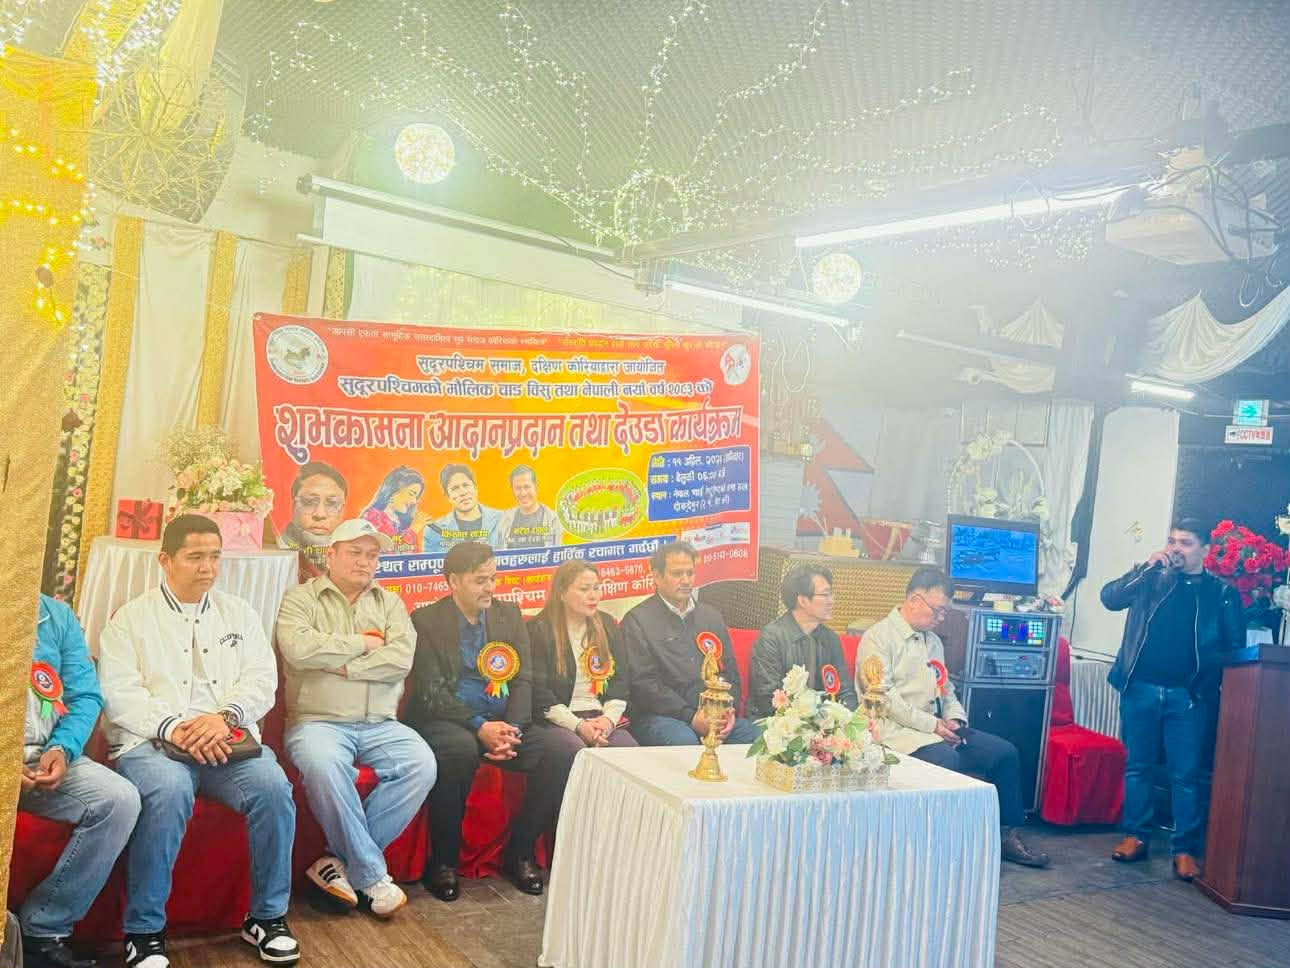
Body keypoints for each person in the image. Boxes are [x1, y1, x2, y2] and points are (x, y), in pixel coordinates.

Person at [99, 515, 300, 968]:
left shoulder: (239, 613)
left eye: (215, 557)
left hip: (226, 740)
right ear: (165, 560)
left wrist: (223, 718)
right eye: (195, 557)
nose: (208, 568)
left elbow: (261, 680)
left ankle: (267, 918)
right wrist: (175, 728)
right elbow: (119, 692)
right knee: (170, 791)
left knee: (273, 787)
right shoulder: (131, 619)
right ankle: (144, 931)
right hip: (151, 743)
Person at [275, 519, 437, 918]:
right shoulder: (300, 599)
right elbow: (299, 649)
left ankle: (337, 864)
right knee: (323, 764)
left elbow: (400, 660)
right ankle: (372, 876)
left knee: (421, 763)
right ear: (330, 555)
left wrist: (346, 666)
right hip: (317, 722)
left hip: (381, 723)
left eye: (372, 555)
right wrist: (364, 644)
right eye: (355, 553)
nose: (365, 562)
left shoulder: (390, 603)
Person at [859, 566, 1050, 868]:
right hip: (897, 732)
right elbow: (885, 701)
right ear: (914, 600)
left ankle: (1005, 836)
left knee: (1004, 753)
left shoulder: (933, 641)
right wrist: (933, 725)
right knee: (947, 759)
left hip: (936, 727)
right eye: (937, 610)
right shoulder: (878, 638)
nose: (940, 618)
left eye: (944, 612)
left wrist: (956, 719)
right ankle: (941, 846)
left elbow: (945, 688)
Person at [405, 542, 552, 901]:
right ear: (453, 581)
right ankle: (444, 862)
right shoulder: (426, 620)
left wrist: (512, 730)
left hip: (503, 721)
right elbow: (431, 691)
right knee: (457, 751)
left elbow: (524, 678)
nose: (489, 588)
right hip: (450, 719)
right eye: (479, 580)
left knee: (559, 751)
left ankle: (520, 852)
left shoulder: (508, 615)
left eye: (493, 579)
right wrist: (479, 726)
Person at [1101, 516, 1244, 881]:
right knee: (1138, 767)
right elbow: (1110, 598)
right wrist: (1145, 568)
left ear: (1205, 550)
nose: (1176, 549)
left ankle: (1184, 850)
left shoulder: (1221, 593)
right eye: (1172, 541)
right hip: (1140, 689)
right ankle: (1135, 836)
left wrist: (1204, 686)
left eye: (1186, 543)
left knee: (1185, 775)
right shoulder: (1151, 579)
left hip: (1188, 696)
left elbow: (1234, 648)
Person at [18, 595, 140, 968]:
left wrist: (63, 748)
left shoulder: (55, 616)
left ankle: (43, 928)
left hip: (42, 754)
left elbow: (85, 695)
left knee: (119, 800)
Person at [527, 560, 638, 824]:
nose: (593, 596)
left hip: (600, 716)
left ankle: (608, 837)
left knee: (628, 750)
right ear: (562, 592)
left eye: (597, 588)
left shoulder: (607, 625)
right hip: (557, 719)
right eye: (584, 589)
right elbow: (539, 692)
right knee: (570, 749)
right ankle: (534, 838)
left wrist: (608, 721)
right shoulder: (539, 629)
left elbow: (621, 680)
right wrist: (578, 726)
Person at [621, 541, 758, 746]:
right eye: (677, 574)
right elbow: (644, 685)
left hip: (713, 714)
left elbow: (730, 674)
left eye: (690, 573)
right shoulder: (637, 620)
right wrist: (691, 716)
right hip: (661, 717)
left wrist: (727, 712)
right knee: (684, 740)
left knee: (758, 738)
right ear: (656, 576)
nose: (685, 580)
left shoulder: (711, 617)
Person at [747, 564, 858, 719]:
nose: (832, 601)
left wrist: (848, 720)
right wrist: (811, 723)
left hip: (823, 724)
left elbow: (845, 692)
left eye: (831, 594)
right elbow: (768, 699)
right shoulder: (771, 637)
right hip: (775, 723)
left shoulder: (830, 639)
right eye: (825, 595)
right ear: (803, 600)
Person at [278, 461, 349, 578]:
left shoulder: (353, 554)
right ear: (293, 506)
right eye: (309, 502)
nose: (320, 514)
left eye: (332, 503)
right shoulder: (277, 552)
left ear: (343, 510)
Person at [422, 464, 501, 553]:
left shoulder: (502, 519)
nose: (463, 492)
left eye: (466, 485)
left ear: (475, 488)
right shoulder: (433, 531)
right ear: (447, 496)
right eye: (455, 488)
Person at [360, 466, 429, 553]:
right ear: (393, 491)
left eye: (417, 497)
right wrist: (413, 530)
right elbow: (388, 551)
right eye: (411, 494)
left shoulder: (402, 523)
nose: (414, 501)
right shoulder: (372, 517)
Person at [497, 465, 563, 550]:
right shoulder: (504, 520)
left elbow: (557, 554)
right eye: (518, 488)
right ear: (512, 490)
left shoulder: (553, 520)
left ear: (536, 487)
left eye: (527, 487)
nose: (523, 493)